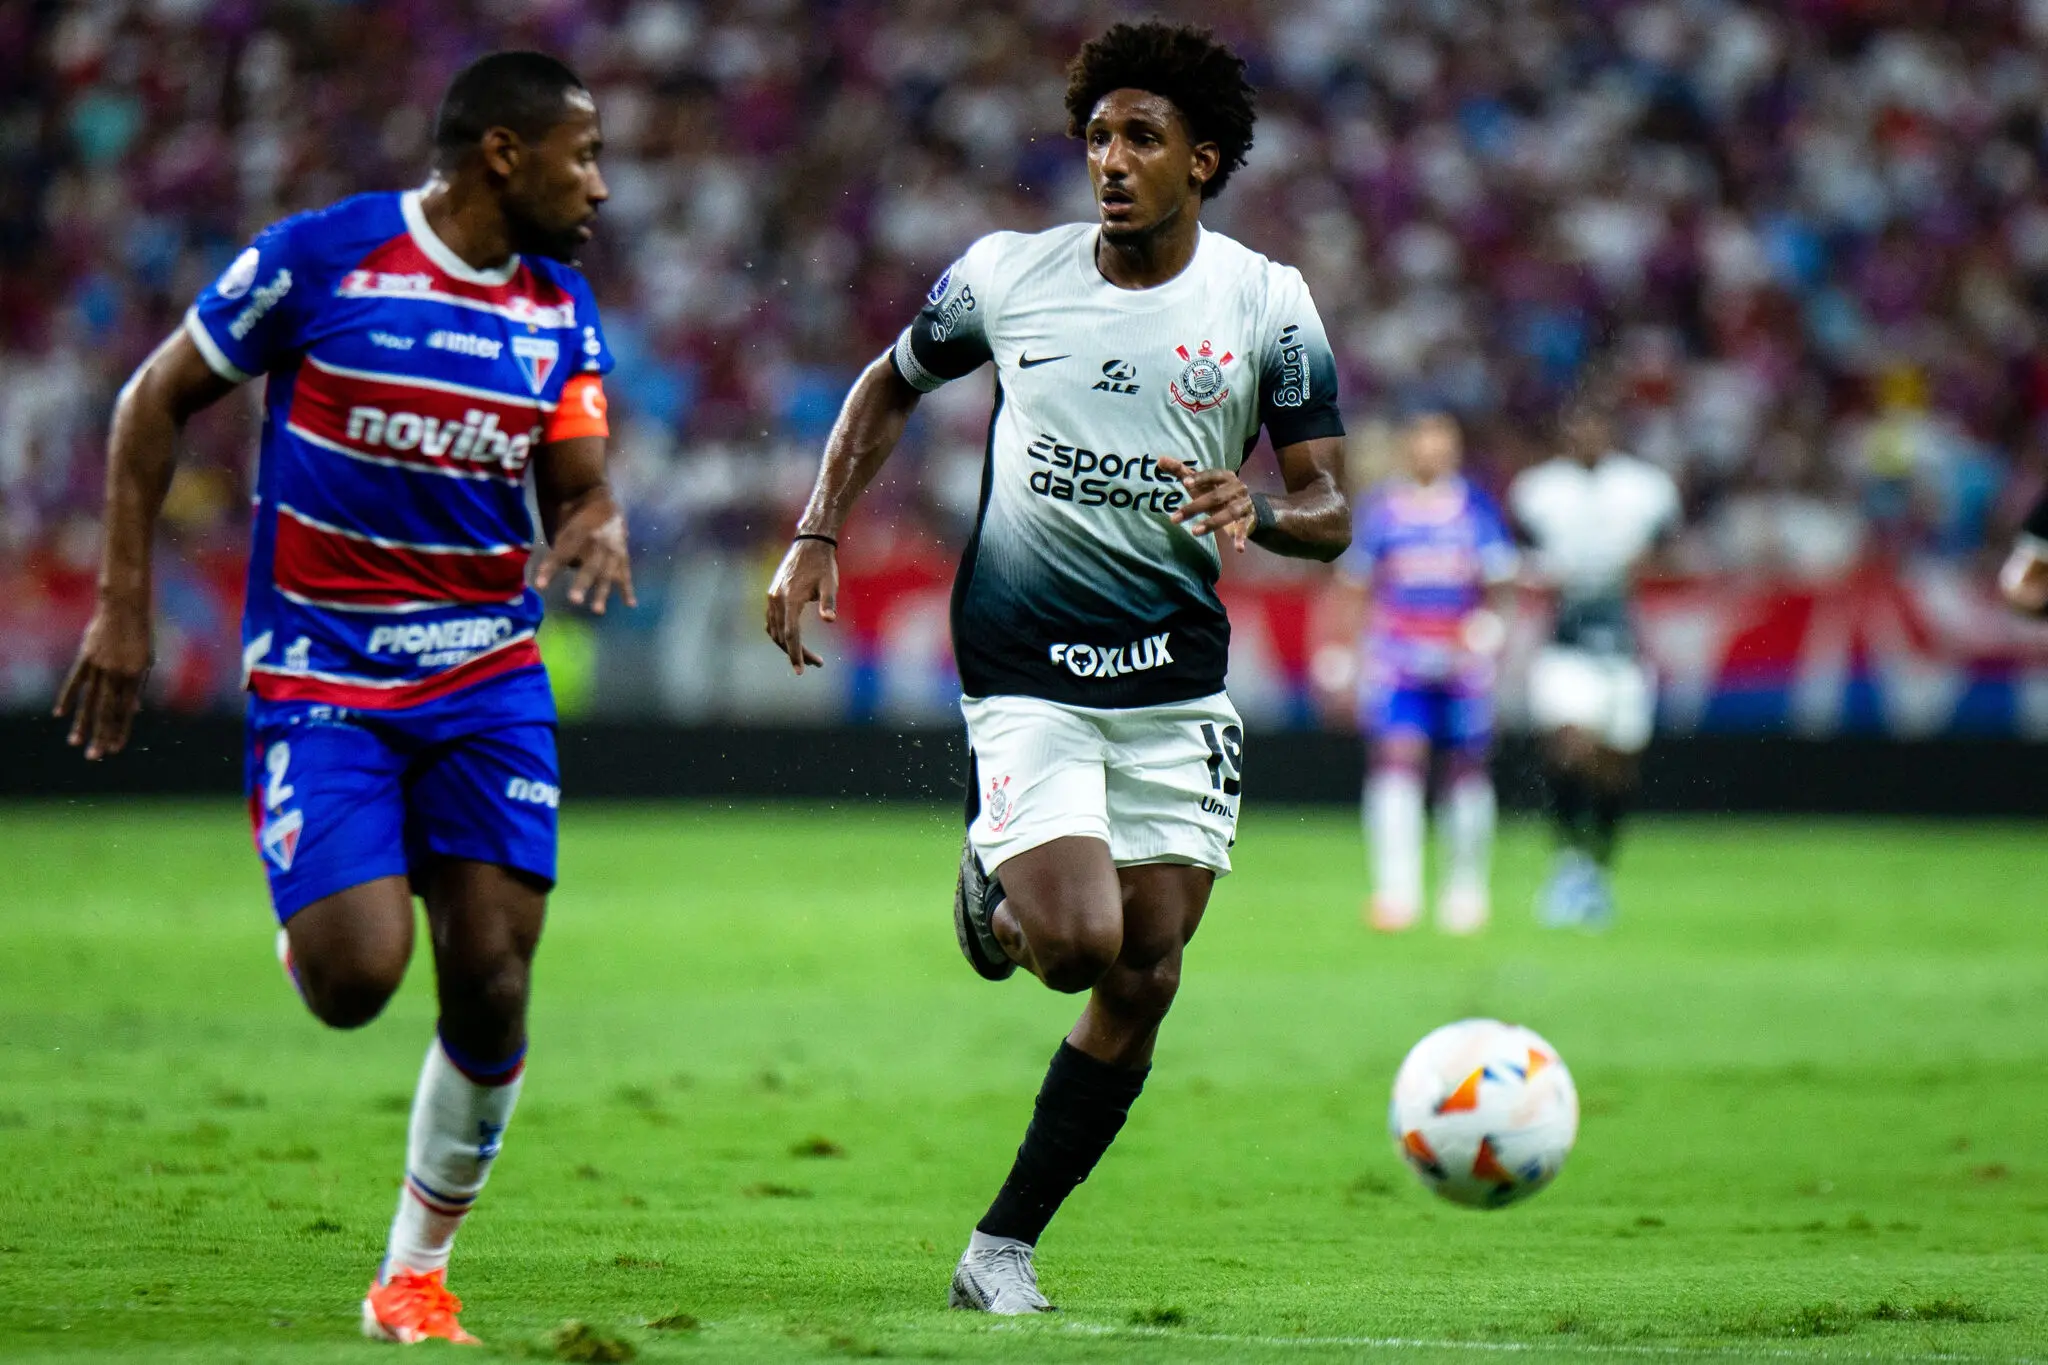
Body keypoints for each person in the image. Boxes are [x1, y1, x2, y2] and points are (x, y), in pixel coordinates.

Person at [764, 21, 1349, 1315]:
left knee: (1149, 968)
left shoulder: (1268, 304)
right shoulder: (1006, 277)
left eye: (1143, 137)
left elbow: (1330, 507)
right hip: (1026, 662)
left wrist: (1264, 514)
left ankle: (1000, 1251)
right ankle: (999, 866)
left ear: (1204, 158)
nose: (1113, 160)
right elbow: (885, 385)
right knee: (1081, 945)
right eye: (1098, 136)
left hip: (1177, 680)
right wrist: (816, 531)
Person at [53, 51, 631, 1345]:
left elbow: (579, 482)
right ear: (502, 154)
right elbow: (153, 401)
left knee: (490, 978)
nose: (599, 187)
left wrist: (599, 520)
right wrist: (125, 603)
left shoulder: (560, 310)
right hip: (326, 677)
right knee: (356, 977)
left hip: (487, 676)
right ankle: (322, 909)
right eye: (581, 157)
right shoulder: (322, 261)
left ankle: (411, 1278)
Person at [1338, 412, 1517, 935]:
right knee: (1397, 760)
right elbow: (1354, 588)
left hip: (1461, 663)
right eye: (1423, 443)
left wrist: (1492, 631)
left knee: (1466, 767)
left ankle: (1465, 891)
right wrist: (1344, 658)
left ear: (1455, 451)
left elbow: (1501, 584)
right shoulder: (1384, 512)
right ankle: (1397, 893)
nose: (1432, 453)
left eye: (1443, 444)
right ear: (1408, 448)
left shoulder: (1475, 508)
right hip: (1399, 660)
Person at [1509, 387, 1678, 930]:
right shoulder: (1539, 491)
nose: (1587, 437)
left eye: (1596, 427)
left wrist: (1643, 563)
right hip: (1566, 642)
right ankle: (1567, 861)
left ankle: (1596, 866)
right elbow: (1520, 554)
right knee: (1570, 746)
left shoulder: (1645, 489)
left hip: (1623, 644)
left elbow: (1670, 551)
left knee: (1617, 764)